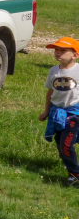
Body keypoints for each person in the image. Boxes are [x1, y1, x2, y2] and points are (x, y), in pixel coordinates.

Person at [38, 36, 79, 187]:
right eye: (56, 50)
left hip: (74, 113)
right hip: (57, 113)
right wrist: (46, 111)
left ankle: (75, 174)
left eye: (63, 50)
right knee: (60, 144)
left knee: (66, 145)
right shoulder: (54, 71)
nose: (58, 53)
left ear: (74, 55)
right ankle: (71, 170)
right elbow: (50, 93)